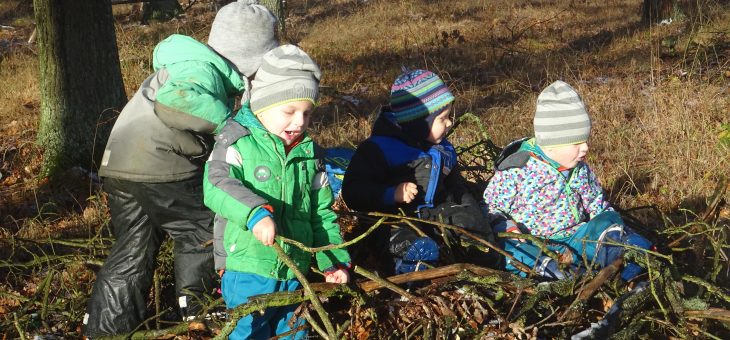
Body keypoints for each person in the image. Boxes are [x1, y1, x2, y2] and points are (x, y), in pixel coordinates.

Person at [83, 1, 279, 337]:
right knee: (202, 230)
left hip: (119, 165)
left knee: (133, 248)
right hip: (160, 163)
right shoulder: (202, 70)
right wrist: (227, 125)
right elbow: (176, 100)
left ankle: (105, 330)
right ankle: (200, 314)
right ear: (249, 57)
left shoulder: (185, 63)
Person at [203, 44, 351, 339]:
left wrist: (331, 259)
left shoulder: (310, 155)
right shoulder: (237, 143)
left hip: (295, 269)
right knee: (247, 331)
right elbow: (216, 185)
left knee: (294, 331)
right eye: (289, 111)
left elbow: (320, 214)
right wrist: (255, 213)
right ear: (262, 105)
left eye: (307, 114)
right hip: (248, 266)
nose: (299, 122)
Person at [483, 80, 652, 280]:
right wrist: (509, 228)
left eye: (586, 140)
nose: (585, 148)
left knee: (610, 222)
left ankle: (632, 262)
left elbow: (597, 205)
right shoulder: (517, 169)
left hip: (575, 240)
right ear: (552, 143)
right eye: (576, 143)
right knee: (510, 249)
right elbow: (490, 206)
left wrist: (613, 230)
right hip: (537, 244)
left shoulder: (580, 169)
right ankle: (555, 273)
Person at [341, 68, 494, 276]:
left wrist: (469, 207)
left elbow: (456, 185)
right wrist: (391, 194)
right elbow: (353, 191)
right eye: (442, 118)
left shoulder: (443, 149)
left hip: (436, 211)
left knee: (471, 222)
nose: (450, 123)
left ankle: (486, 264)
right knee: (399, 235)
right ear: (417, 122)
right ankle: (408, 267)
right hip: (396, 215)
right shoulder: (380, 149)